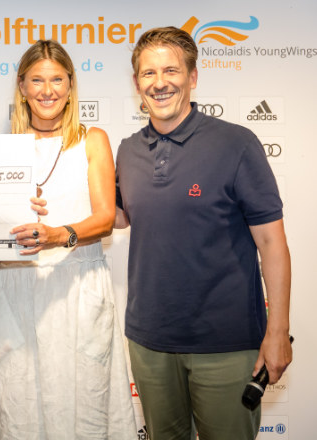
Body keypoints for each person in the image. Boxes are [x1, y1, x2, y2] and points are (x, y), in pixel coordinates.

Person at [115, 26, 292, 440]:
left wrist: (278, 331)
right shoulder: (126, 150)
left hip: (227, 345)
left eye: (171, 71)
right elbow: (116, 217)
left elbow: (273, 244)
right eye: (148, 74)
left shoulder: (237, 144)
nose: (160, 83)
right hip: (150, 341)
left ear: (192, 77)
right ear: (137, 83)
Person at [0, 40, 136, 439]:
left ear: (71, 84)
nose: (47, 90)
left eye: (57, 79)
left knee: (85, 408)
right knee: (18, 406)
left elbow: (106, 216)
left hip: (75, 288)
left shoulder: (91, 139)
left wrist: (59, 235)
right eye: (37, 80)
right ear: (22, 86)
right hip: (15, 290)